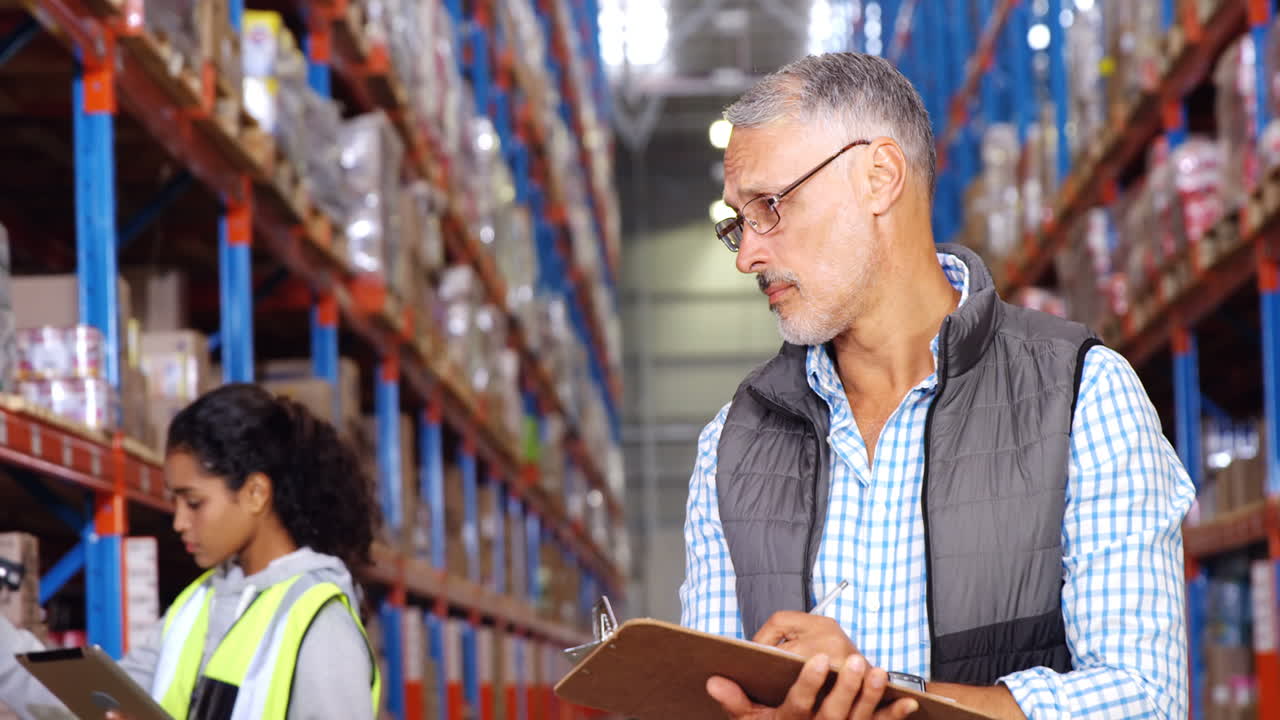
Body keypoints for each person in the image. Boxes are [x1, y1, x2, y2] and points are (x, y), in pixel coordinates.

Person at [680, 52, 1194, 720]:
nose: (748, 255)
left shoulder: (1081, 398)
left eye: (770, 208)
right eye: (737, 225)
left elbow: (1144, 700)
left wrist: (886, 700)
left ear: (879, 177)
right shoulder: (732, 446)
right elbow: (707, 698)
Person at [0, 383, 382, 720]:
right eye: (176, 502)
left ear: (255, 493)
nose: (179, 522)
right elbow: (90, 701)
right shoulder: (196, 606)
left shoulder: (319, 621)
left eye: (194, 503)